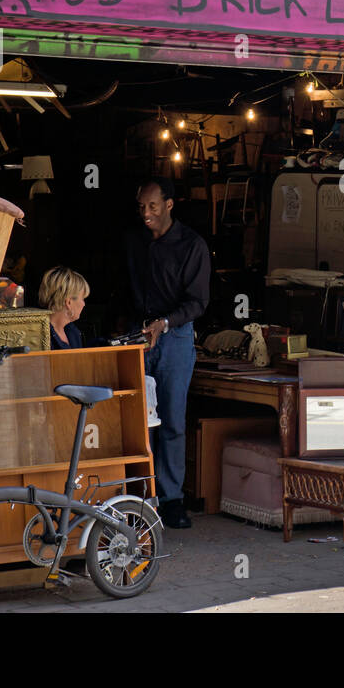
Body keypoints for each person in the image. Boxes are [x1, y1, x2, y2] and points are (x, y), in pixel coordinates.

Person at [124, 178, 211, 530]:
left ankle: (172, 500)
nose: (146, 213)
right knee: (138, 422)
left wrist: (164, 322)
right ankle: (140, 497)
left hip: (174, 338)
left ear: (170, 205)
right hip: (138, 337)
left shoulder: (192, 245)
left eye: (153, 206)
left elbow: (198, 302)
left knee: (172, 422)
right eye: (142, 206)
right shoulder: (134, 242)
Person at [38, 266, 89, 350]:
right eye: (82, 298)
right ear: (68, 302)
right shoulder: (38, 335)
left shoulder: (72, 331)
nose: (84, 304)